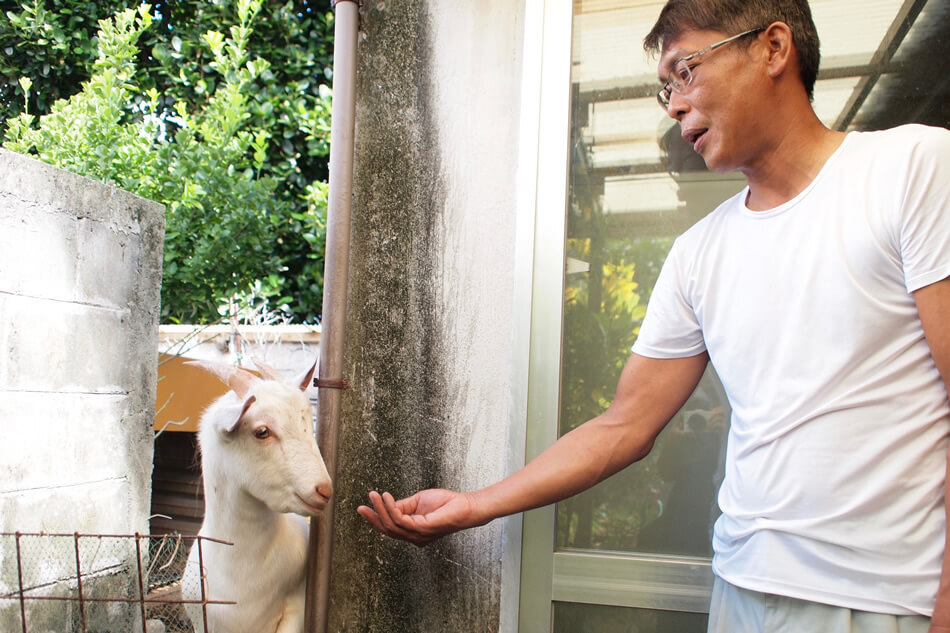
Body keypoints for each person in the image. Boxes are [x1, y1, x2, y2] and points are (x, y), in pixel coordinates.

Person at [358, 0, 950, 630]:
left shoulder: (912, 169)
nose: (673, 104)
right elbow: (624, 425)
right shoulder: (699, 252)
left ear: (773, 48)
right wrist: (475, 505)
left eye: (686, 70)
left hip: (885, 599)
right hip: (742, 590)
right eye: (664, 87)